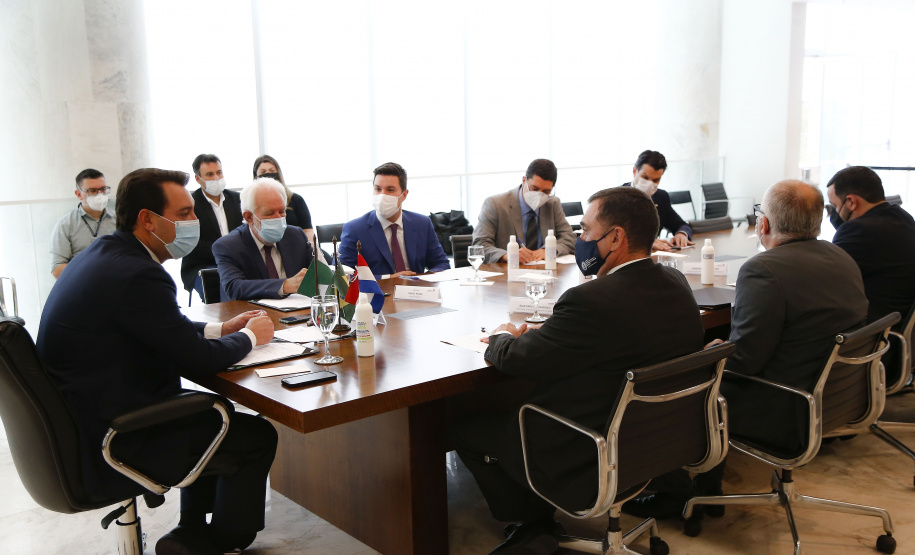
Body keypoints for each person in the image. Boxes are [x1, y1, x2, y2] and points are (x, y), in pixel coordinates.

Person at [36, 168, 278, 555]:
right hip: (114, 434)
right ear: (147, 219)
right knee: (254, 434)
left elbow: (163, 329)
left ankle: (188, 532)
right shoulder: (138, 273)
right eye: (183, 214)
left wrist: (222, 329)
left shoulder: (105, 254)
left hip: (81, 421)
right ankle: (222, 540)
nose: (194, 221)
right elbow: (199, 362)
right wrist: (251, 336)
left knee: (210, 416)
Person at [451, 186, 705, 554]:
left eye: (586, 231)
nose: (582, 239)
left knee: (466, 428)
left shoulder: (592, 301)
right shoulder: (676, 283)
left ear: (615, 237)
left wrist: (499, 338)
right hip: (655, 445)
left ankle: (534, 524)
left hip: (587, 448)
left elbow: (520, 360)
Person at [635, 180, 868, 520]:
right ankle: (701, 490)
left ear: (764, 224)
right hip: (833, 394)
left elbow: (744, 362)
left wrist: (714, 354)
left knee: (680, 386)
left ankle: (686, 494)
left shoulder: (764, 270)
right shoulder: (841, 255)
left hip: (784, 403)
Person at [826, 166, 915, 323]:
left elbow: (827, 281)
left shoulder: (857, 230)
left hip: (874, 330)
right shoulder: (903, 217)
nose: (835, 213)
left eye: (835, 206)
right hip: (899, 320)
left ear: (851, 202)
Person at [338, 162, 450, 277]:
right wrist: (389, 278)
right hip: (378, 293)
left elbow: (441, 263)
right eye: (378, 189)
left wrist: (423, 278)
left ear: (404, 195)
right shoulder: (354, 229)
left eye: (390, 190)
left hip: (417, 291)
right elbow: (342, 275)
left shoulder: (422, 223)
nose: (382, 195)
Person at [213, 177, 314, 301]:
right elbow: (234, 287)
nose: (278, 218)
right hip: (251, 315)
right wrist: (285, 285)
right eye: (269, 213)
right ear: (249, 217)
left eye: (282, 211)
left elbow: (318, 272)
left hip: (297, 312)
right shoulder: (228, 246)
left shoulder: (296, 235)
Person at [472, 159, 576, 264]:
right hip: (508, 272)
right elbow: (478, 246)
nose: (539, 195)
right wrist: (507, 255)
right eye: (534, 188)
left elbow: (569, 238)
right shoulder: (495, 204)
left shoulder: (553, 203)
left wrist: (547, 251)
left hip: (544, 270)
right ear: (524, 180)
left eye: (546, 191)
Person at [181, 153, 243, 301]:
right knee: (223, 284)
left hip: (237, 261)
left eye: (219, 172)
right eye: (209, 174)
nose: (216, 178)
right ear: (198, 178)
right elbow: (191, 244)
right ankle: (227, 322)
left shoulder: (237, 199)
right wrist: (225, 253)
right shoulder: (190, 204)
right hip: (203, 265)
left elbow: (245, 232)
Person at [621, 150, 695, 252]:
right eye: (645, 177)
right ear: (635, 171)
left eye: (656, 180)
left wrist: (682, 234)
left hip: (655, 259)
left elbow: (681, 225)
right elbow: (613, 237)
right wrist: (645, 242)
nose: (649, 183)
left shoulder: (661, 197)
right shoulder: (617, 198)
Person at [50, 168, 116, 278]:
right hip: (82, 286)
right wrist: (92, 267)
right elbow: (57, 270)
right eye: (92, 191)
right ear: (79, 194)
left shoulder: (119, 220)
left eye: (103, 189)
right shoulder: (65, 224)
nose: (99, 195)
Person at [253, 154, 316, 244]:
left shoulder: (296, 199)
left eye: (272, 170)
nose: (268, 174)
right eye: (263, 172)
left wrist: (309, 247)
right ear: (256, 176)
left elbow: (308, 230)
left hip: (296, 245)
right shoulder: (252, 204)